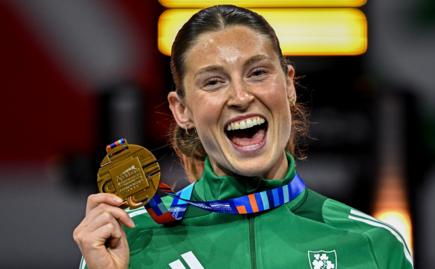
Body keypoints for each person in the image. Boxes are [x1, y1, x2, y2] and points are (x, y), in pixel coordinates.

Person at [73, 5, 413, 269]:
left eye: (258, 73)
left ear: (289, 84)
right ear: (182, 110)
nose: (240, 96)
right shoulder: (130, 242)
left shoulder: (372, 243)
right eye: (213, 81)